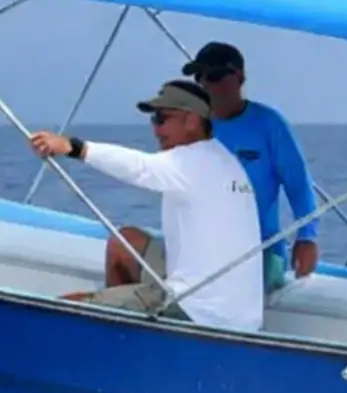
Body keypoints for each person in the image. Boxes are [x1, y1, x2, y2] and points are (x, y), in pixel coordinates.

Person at [27, 78, 265, 334]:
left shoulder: (189, 161)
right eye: (154, 120)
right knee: (125, 242)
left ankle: (112, 328)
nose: (156, 129)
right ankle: (118, 331)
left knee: (64, 309)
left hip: (199, 311)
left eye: (162, 119)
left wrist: (73, 147)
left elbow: (140, 168)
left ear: (192, 121)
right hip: (240, 313)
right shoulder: (222, 158)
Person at [181, 41, 321, 292]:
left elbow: (299, 186)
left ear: (240, 77)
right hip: (201, 251)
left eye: (214, 75)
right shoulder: (190, 127)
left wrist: (307, 237)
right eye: (199, 77)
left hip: (260, 252)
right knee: (126, 245)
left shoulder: (269, 124)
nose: (205, 84)